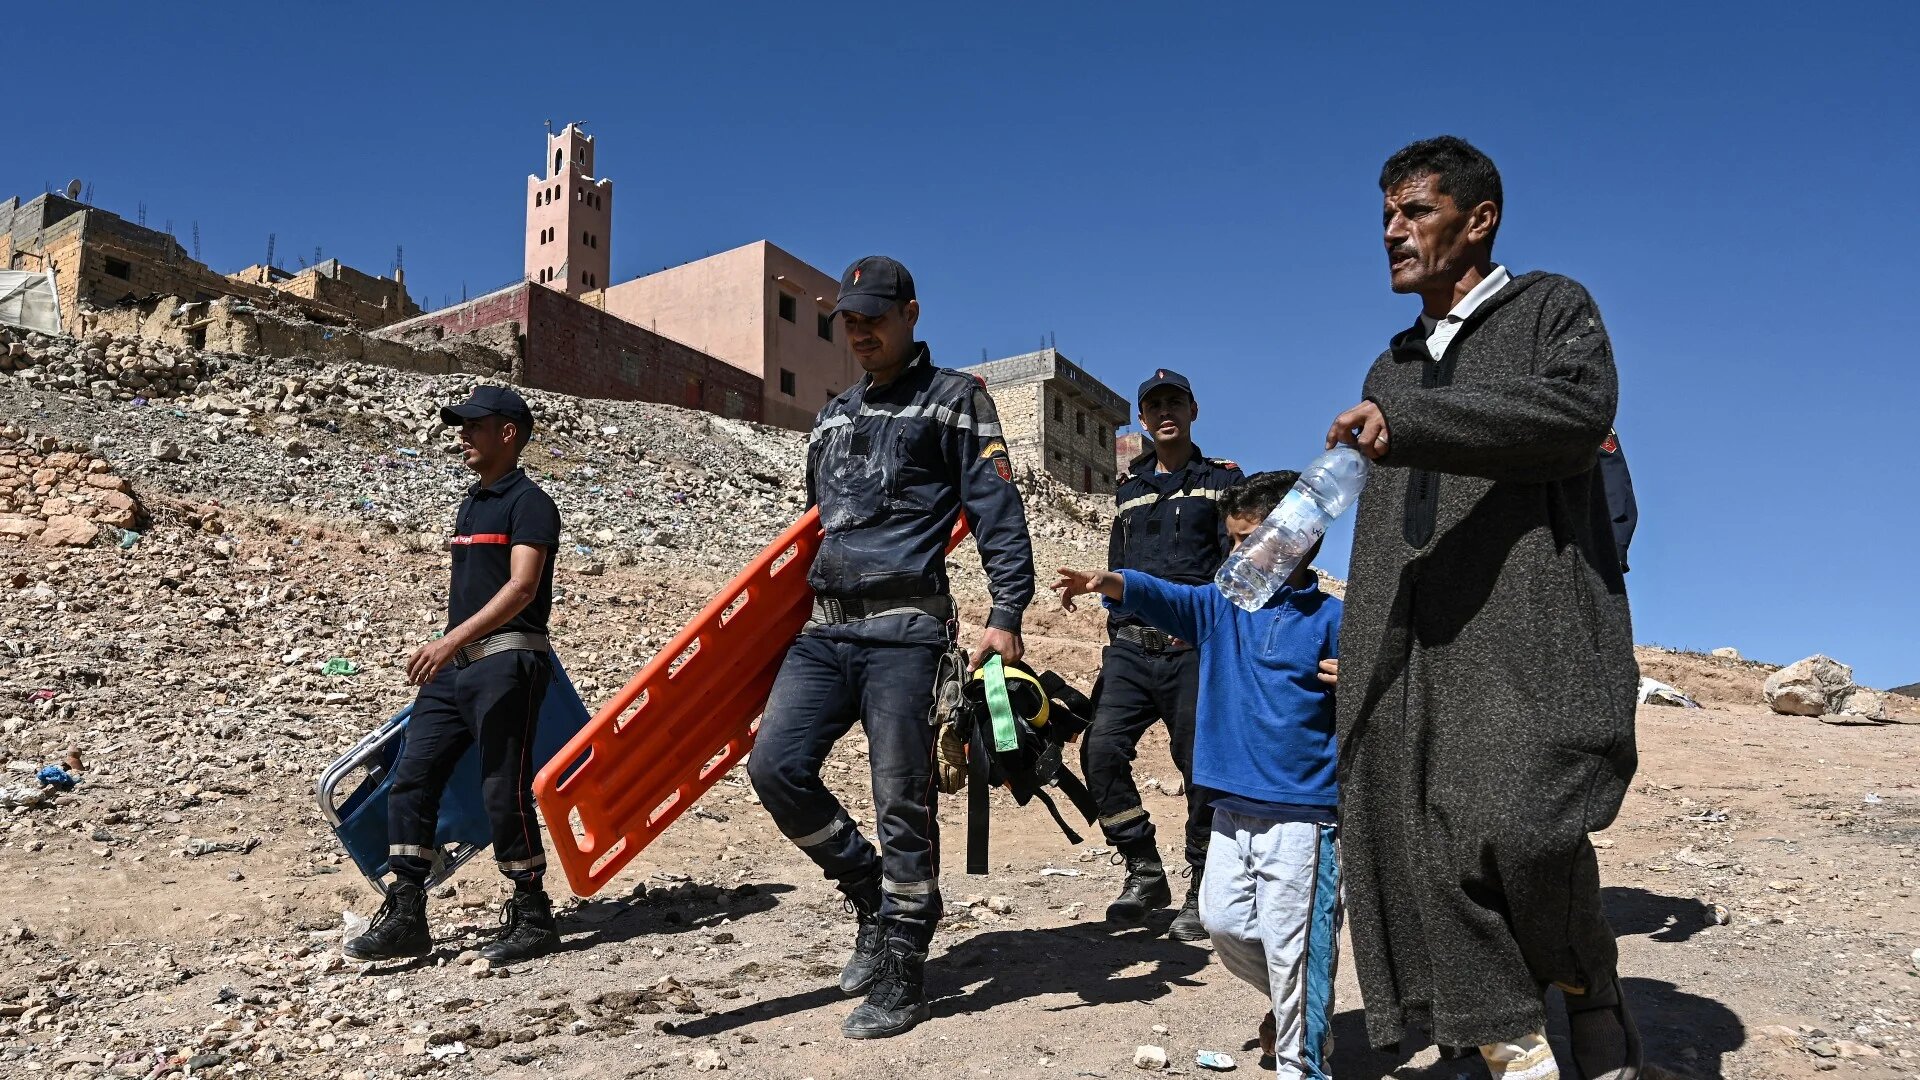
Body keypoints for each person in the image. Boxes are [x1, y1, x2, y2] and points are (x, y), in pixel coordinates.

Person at [1326, 135, 1642, 1080]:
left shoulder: (1551, 308)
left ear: (1479, 219)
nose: (1393, 231)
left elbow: (1575, 419)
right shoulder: (1391, 364)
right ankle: (1499, 1034)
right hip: (1414, 634)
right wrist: (1361, 637)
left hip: (1528, 620)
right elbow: (1383, 519)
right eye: (1386, 214)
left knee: (1523, 826)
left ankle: (1589, 982)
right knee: (1419, 832)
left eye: (1415, 211)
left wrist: (1415, 425)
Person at [746, 255, 1035, 1040]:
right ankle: (873, 896)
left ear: (910, 312)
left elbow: (998, 511)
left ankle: (906, 963)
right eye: (850, 317)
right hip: (825, 627)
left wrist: (1005, 613)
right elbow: (816, 522)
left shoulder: (956, 400)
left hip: (906, 629)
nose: (860, 328)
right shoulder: (832, 414)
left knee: (900, 797)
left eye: (875, 314)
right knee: (775, 767)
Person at [1054, 470, 1343, 1080]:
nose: (1233, 554)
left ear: (1297, 539)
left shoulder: (1334, 620)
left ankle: (1303, 1059)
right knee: (1225, 924)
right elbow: (1164, 596)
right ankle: (1298, 1000)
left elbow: (1389, 683)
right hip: (1231, 810)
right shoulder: (1221, 608)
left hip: (1302, 817)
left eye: (1245, 541)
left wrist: (1362, 673)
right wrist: (1106, 580)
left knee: (1296, 950)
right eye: (1230, 540)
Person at [344, 385, 565, 967]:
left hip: (506, 661)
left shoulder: (531, 503)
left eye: (474, 425)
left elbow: (521, 589)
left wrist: (448, 641)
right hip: (455, 669)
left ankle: (532, 911)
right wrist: (450, 650)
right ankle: (408, 910)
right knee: (412, 779)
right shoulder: (471, 503)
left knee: (503, 787)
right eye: (460, 426)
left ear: (508, 433)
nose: (462, 436)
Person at [1083, 369, 1244, 937]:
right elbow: (1117, 567)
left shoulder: (1223, 480)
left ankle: (1203, 887)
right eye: (1154, 406)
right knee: (1099, 752)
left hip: (1193, 646)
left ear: (1194, 410)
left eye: (1175, 402)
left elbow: (1238, 563)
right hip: (1130, 647)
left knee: (1200, 768)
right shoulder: (1127, 489)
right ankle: (1144, 869)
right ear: (1143, 419)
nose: (1165, 412)